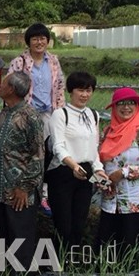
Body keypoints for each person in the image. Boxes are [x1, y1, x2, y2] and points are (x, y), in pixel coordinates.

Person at [93, 88, 139, 266]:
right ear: (114, 108)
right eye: (120, 103)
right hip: (111, 201)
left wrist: (123, 173)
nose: (125, 107)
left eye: (130, 103)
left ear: (137, 106)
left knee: (135, 248)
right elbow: (99, 161)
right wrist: (100, 176)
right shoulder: (107, 132)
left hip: (137, 200)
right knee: (109, 246)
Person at [45, 72, 106, 259]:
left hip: (85, 173)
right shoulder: (60, 114)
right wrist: (73, 166)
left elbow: (93, 147)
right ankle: (55, 265)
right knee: (64, 224)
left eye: (88, 90)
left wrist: (99, 169)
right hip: (63, 173)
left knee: (79, 224)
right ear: (71, 91)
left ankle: (72, 265)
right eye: (80, 90)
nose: (84, 94)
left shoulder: (93, 115)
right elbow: (58, 146)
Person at [8, 22, 65, 214]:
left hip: (49, 114)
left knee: (50, 153)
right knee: (31, 154)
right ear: (28, 42)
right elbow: (10, 89)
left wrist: (61, 114)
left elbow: (59, 88)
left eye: (43, 38)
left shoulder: (54, 61)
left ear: (48, 41)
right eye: (35, 38)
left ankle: (44, 194)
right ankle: (28, 190)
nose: (39, 42)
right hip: (27, 115)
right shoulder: (19, 62)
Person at [0, 72, 45, 273]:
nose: (0, 85)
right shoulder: (5, 113)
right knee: (6, 235)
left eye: (3, 82)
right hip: (2, 189)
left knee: (21, 238)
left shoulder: (30, 116)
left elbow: (38, 154)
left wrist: (24, 187)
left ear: (11, 89)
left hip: (20, 193)